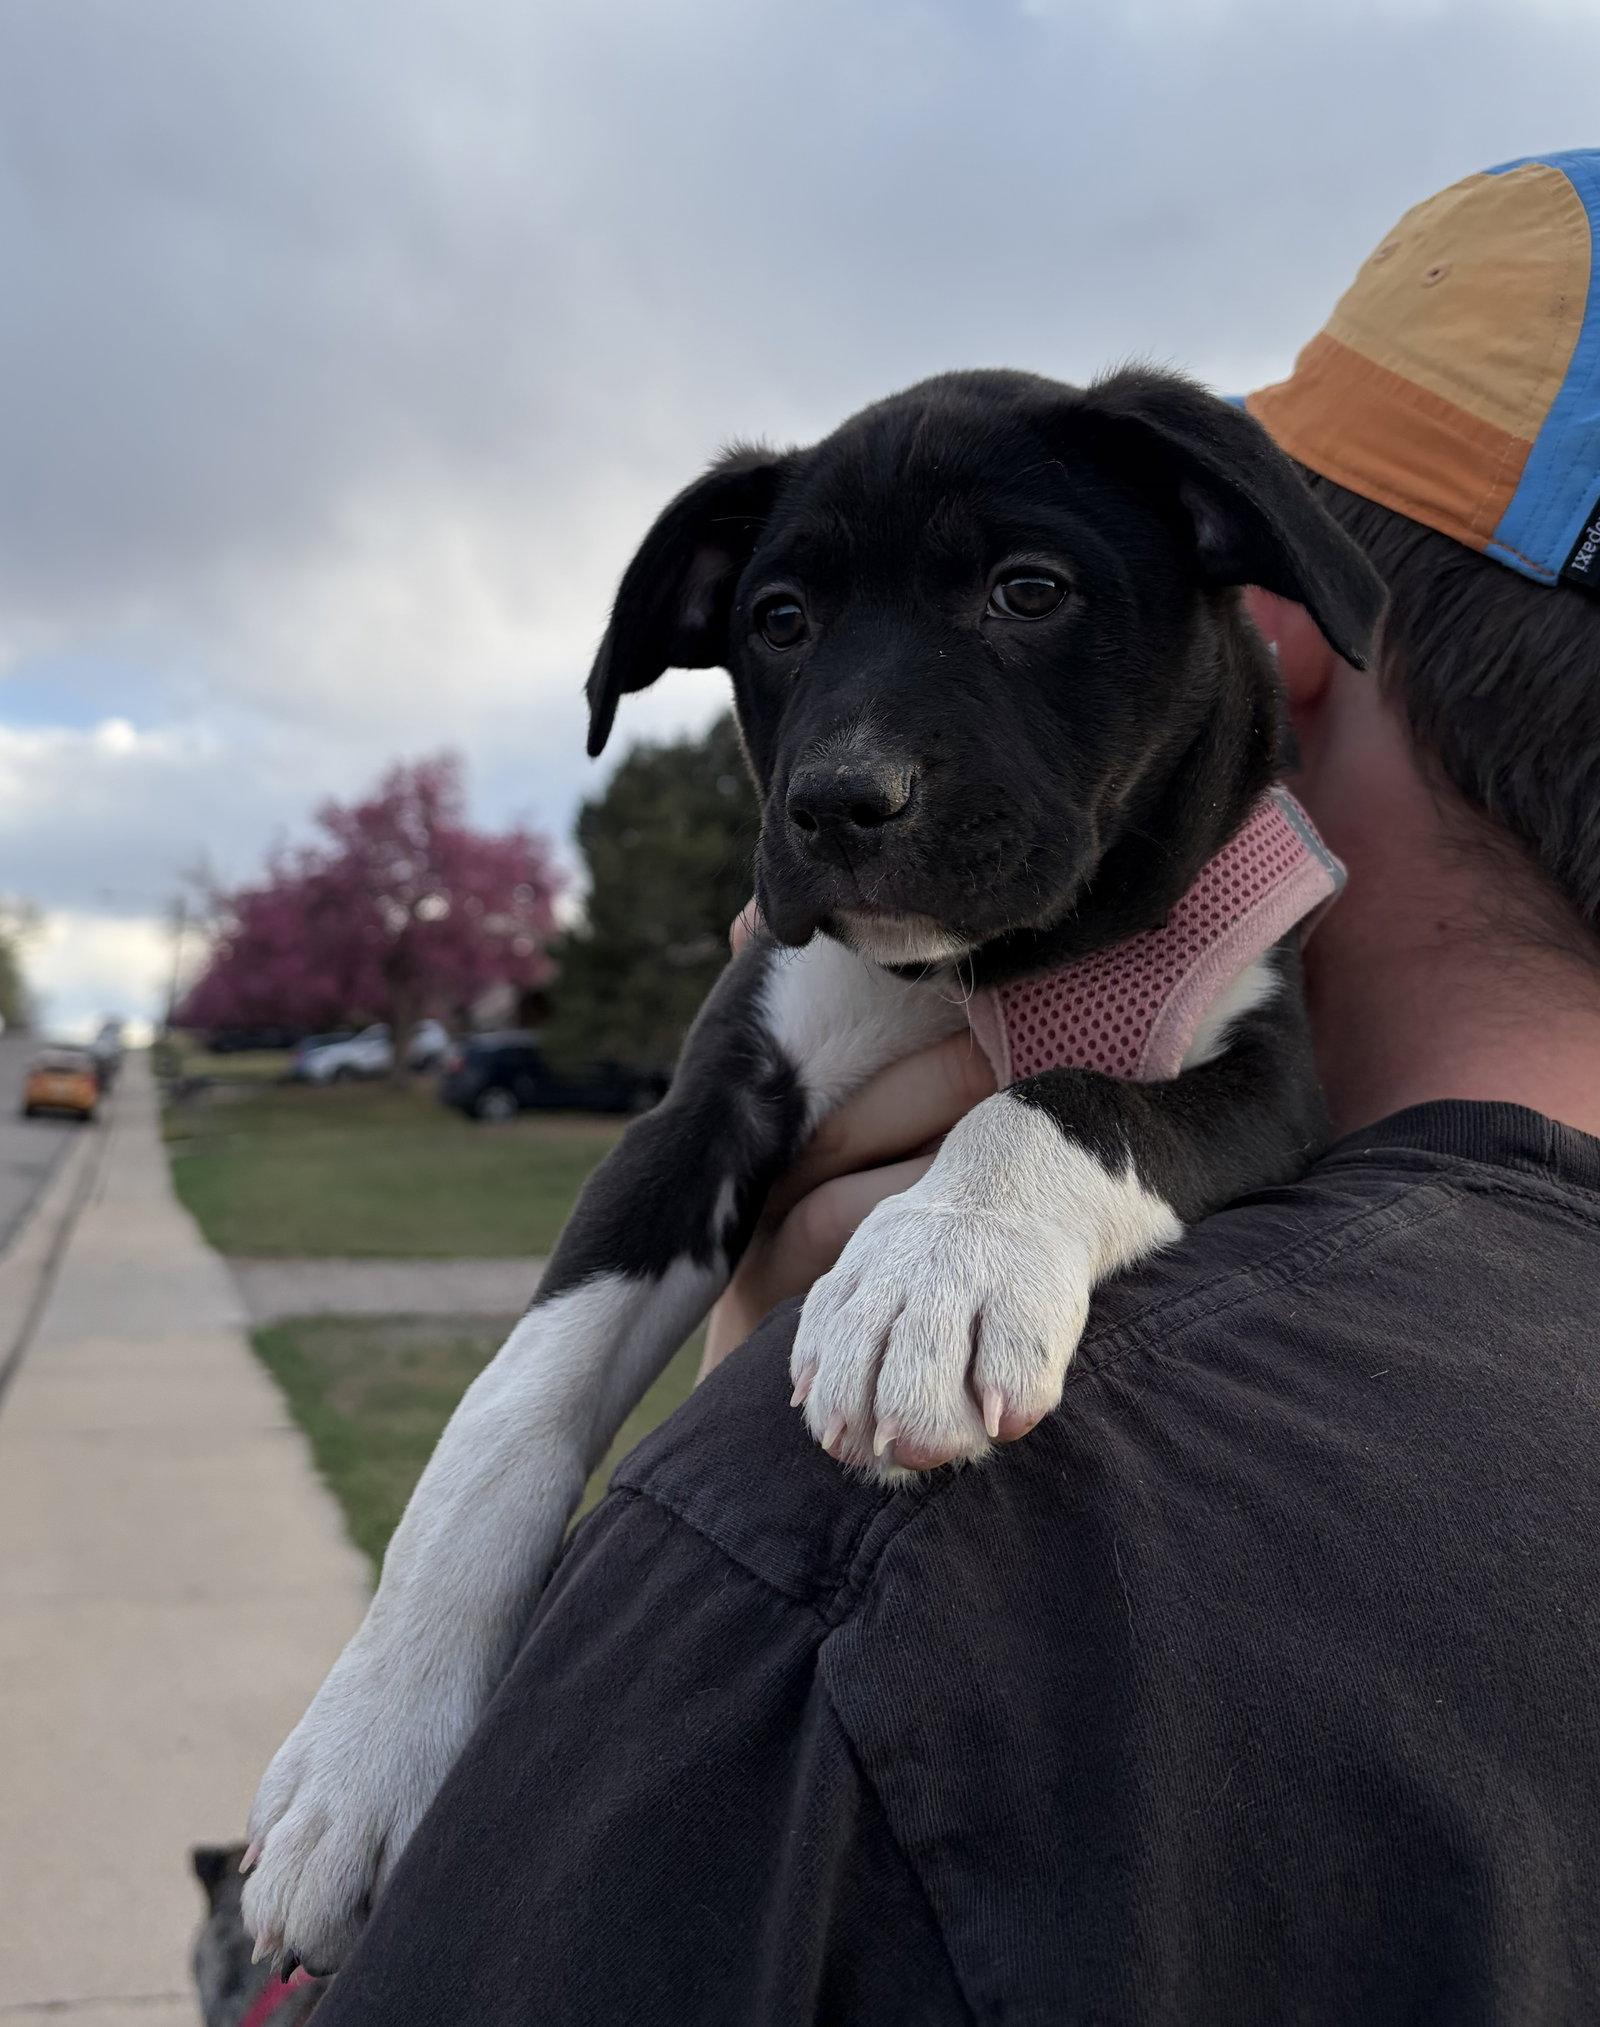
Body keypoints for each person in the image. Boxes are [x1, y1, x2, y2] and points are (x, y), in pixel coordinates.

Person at [314, 153, 1600, 2025]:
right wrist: (423, 1638)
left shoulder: (836, 1570)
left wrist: (799, 1391)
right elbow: (697, 1151)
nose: (850, 759)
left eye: (1024, 588)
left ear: (1272, 607)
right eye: (785, 628)